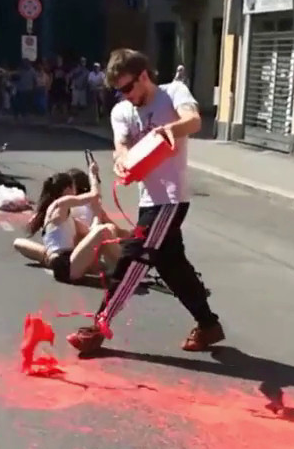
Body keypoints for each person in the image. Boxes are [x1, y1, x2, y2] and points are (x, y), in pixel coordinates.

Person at [69, 50, 223, 355]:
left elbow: (193, 121)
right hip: (148, 200)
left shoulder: (173, 93)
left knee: (134, 255)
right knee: (172, 267)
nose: (126, 95)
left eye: (129, 88)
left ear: (144, 76)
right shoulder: (121, 111)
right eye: (119, 91)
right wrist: (122, 161)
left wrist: (170, 129)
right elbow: (121, 145)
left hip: (170, 199)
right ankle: (208, 326)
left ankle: (100, 325)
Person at [14, 161, 122, 284]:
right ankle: (125, 266)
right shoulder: (61, 203)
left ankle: (114, 266)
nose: (76, 191)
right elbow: (94, 195)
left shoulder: (63, 216)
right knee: (103, 231)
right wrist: (93, 175)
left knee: (103, 230)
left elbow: (89, 232)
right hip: (67, 265)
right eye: (73, 187)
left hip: (62, 261)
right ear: (67, 189)